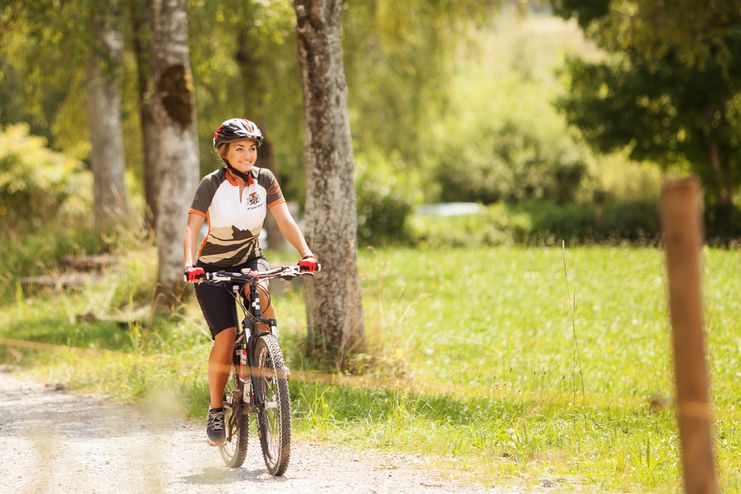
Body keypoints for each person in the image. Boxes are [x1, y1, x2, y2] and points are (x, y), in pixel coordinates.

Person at [182, 118, 318, 446]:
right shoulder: (211, 185)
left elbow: (284, 218)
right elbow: (191, 227)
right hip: (211, 268)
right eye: (239, 148)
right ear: (224, 152)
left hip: (249, 260)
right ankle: (216, 409)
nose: (247, 155)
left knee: (260, 292)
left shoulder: (265, 180)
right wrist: (189, 265)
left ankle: (266, 351)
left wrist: (305, 252)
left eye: (252, 148)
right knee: (226, 336)